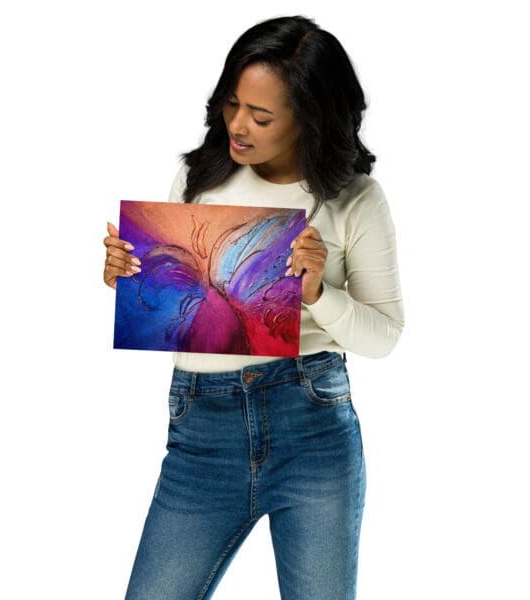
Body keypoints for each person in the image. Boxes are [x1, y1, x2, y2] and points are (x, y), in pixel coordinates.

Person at [103, 15, 404, 600]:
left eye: (261, 116)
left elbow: (385, 336)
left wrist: (318, 292)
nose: (238, 126)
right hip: (200, 437)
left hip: (311, 426)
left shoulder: (355, 199)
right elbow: (183, 314)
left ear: (310, 119)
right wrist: (129, 279)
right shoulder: (197, 178)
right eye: (231, 105)